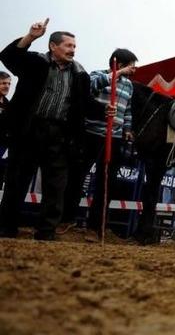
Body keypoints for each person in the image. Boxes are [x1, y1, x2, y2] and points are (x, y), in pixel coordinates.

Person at [0, 21, 111, 240]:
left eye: (74, 46)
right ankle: (6, 228)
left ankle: (46, 231)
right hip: (29, 130)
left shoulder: (80, 74)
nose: (73, 50)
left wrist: (104, 109)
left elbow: (85, 103)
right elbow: (8, 57)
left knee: (57, 184)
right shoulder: (34, 63)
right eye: (68, 45)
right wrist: (30, 37)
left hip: (60, 134)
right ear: (53, 46)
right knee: (17, 180)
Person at [61, 48, 138, 235]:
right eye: (131, 67)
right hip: (91, 134)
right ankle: (66, 219)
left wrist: (127, 129)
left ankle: (96, 226)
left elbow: (127, 110)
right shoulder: (97, 75)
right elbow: (91, 87)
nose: (133, 70)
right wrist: (116, 74)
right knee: (77, 177)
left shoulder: (128, 86)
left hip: (115, 137)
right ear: (118, 64)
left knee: (107, 182)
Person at [0, 71, 11, 180]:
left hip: (3, 151)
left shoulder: (9, 105)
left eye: (9, 84)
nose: (7, 86)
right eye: (3, 83)